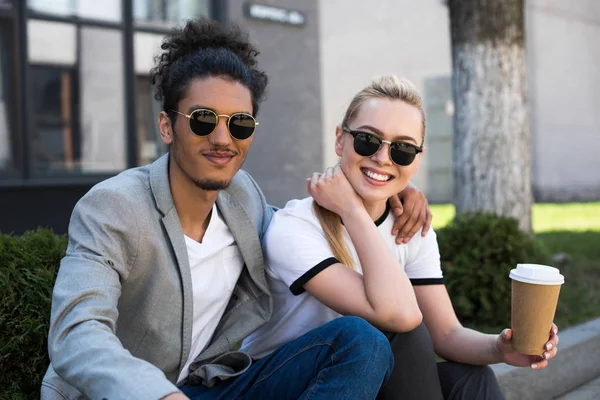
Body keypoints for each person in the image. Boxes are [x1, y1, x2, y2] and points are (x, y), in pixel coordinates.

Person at [40, 19, 432, 400]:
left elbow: (298, 227)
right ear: (165, 126)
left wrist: (394, 192)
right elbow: (77, 332)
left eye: (240, 124)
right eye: (203, 120)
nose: (222, 138)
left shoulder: (243, 196)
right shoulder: (115, 206)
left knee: (360, 341)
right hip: (133, 394)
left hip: (212, 386)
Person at [240, 75, 560, 400]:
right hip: (283, 386)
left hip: (361, 378)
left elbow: (447, 334)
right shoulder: (295, 227)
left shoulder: (408, 226)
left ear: (417, 160)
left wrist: (501, 348)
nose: (382, 158)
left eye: (403, 150)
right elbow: (399, 316)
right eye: (367, 140)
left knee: (470, 379)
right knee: (400, 331)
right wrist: (353, 211)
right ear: (340, 140)